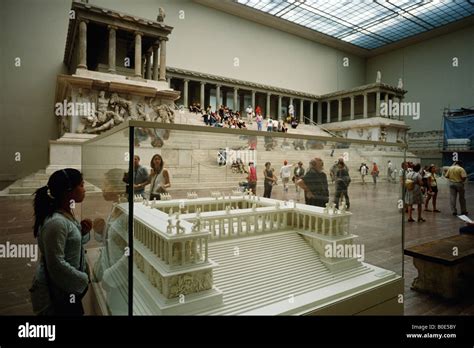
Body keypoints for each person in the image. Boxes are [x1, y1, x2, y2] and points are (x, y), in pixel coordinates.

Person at [29, 169, 91, 315]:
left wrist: (81, 232)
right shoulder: (56, 222)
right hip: (56, 295)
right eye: (81, 185)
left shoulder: (65, 214)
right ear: (69, 190)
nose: (84, 189)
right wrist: (83, 279)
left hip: (66, 290)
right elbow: (56, 263)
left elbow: (68, 245)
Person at [91, 168, 128, 315]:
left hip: (122, 282)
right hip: (113, 276)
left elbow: (133, 253)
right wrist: (101, 230)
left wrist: (110, 277)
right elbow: (113, 239)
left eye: (106, 184)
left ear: (118, 187)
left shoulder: (128, 212)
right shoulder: (116, 206)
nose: (103, 188)